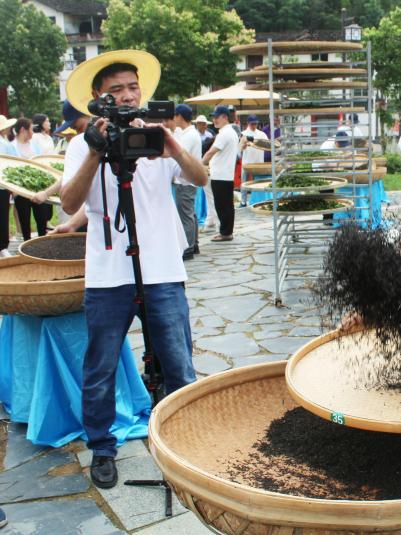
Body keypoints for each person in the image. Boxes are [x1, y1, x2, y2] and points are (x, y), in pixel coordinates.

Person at [60, 49, 207, 489]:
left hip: (161, 266)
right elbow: (70, 204)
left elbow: (200, 179)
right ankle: (103, 449)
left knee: (179, 364)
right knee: (100, 366)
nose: (126, 96)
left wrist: (173, 146)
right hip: (108, 274)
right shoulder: (79, 144)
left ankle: (187, 443)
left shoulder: (159, 138)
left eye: (132, 87)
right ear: (97, 99)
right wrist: (94, 152)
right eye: (115, 90)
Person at [10, 118, 52, 241]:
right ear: (23, 130)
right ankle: (27, 244)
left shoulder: (34, 145)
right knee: (24, 220)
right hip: (21, 190)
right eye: (30, 129)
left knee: (41, 218)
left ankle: (42, 243)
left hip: (37, 188)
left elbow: (41, 162)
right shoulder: (11, 147)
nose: (32, 132)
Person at [202, 105, 238, 242]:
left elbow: (211, 151)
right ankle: (226, 231)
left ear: (224, 117)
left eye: (216, 117)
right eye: (213, 118)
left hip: (220, 174)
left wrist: (200, 164)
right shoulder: (231, 132)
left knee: (222, 206)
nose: (214, 120)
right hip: (225, 174)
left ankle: (225, 233)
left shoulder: (225, 133)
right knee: (226, 205)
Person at [172, 103, 201, 260]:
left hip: (185, 181)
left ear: (179, 116)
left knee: (186, 215)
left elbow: (179, 155)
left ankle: (188, 247)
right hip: (186, 180)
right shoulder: (188, 133)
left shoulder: (189, 135)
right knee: (190, 213)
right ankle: (194, 243)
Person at [238, 114, 268, 207]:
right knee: (244, 182)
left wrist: (259, 143)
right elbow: (239, 149)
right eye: (252, 124)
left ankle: (259, 200)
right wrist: (244, 145)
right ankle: (243, 201)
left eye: (255, 124)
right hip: (247, 162)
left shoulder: (262, 134)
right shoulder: (243, 133)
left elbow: (267, 145)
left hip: (258, 162)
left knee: (259, 182)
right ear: (248, 123)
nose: (254, 126)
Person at [0, 115, 18, 258]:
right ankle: (3, 246)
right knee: (3, 216)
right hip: (3, 185)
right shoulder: (5, 144)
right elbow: (12, 165)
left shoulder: (5, 143)